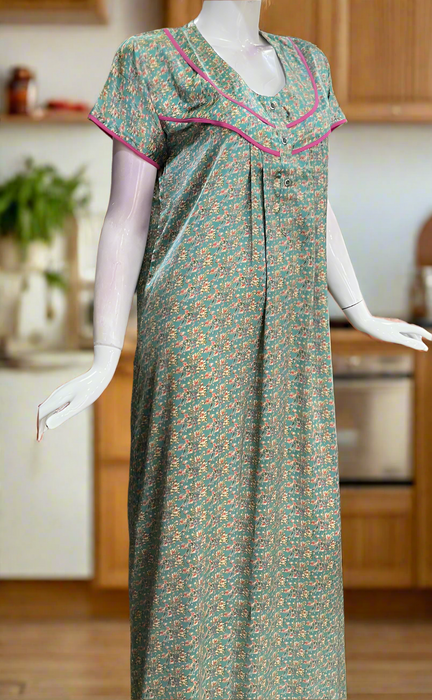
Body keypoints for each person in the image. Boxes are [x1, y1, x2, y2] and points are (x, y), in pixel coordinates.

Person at [37, 2, 431, 698]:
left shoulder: (309, 66)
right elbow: (125, 219)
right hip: (195, 339)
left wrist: (359, 309)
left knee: (296, 541)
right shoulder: (151, 63)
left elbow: (315, 199)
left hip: (294, 342)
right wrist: (104, 354)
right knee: (191, 549)